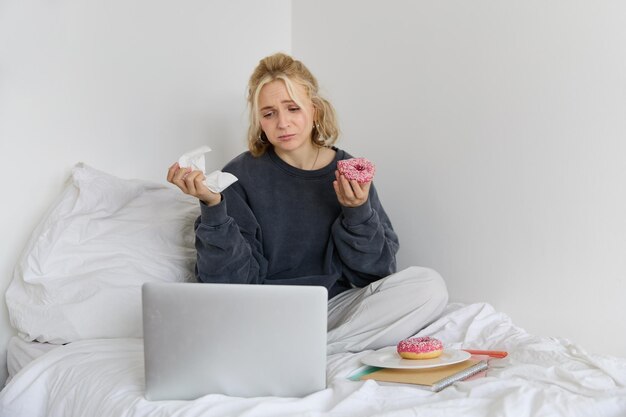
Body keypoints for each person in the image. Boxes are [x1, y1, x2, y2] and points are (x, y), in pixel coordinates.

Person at [167, 52, 448, 354]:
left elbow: (376, 273)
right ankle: (302, 348)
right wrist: (213, 207)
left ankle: (308, 351)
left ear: (314, 110)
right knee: (220, 320)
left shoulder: (347, 171)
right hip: (269, 311)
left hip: (335, 310)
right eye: (269, 113)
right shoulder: (238, 176)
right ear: (259, 120)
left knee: (429, 285)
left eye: (292, 108)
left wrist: (357, 211)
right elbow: (228, 283)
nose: (283, 123)